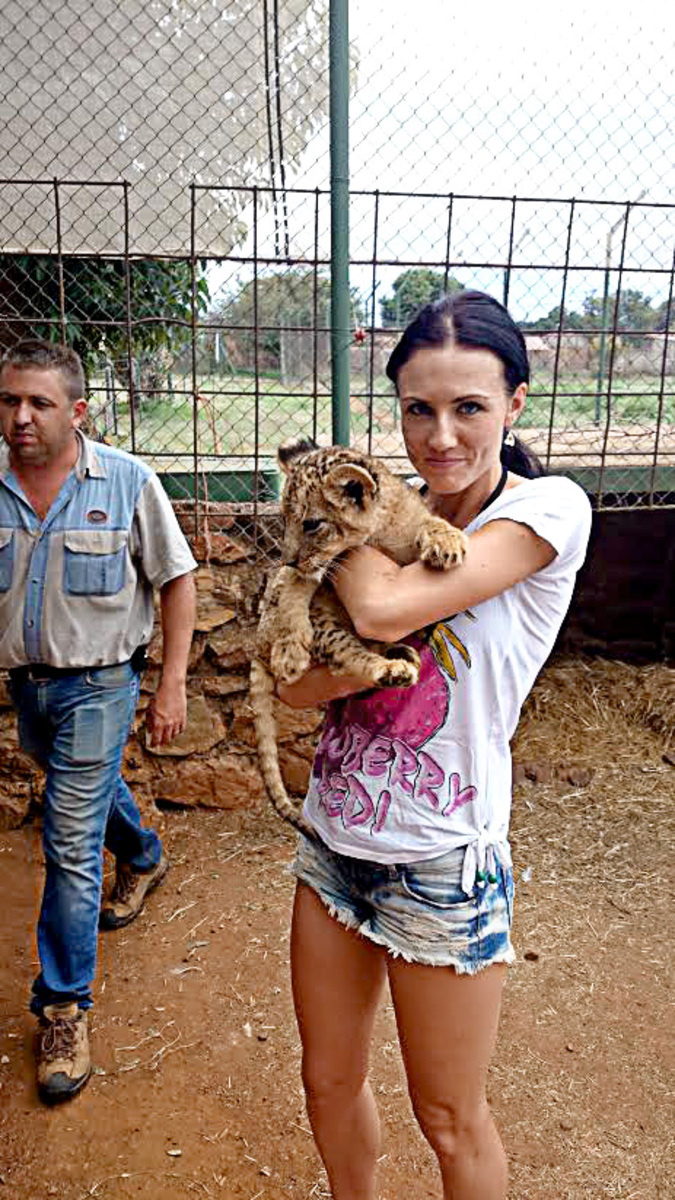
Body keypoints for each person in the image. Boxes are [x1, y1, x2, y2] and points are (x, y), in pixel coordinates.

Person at [277, 291, 592, 1200]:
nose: (440, 436)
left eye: (468, 407)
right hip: (333, 838)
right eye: (418, 409)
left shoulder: (547, 511)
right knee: (326, 1082)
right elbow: (295, 685)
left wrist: (340, 558)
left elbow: (379, 609)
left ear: (516, 403)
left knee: (450, 1119)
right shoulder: (373, 508)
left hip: (442, 858)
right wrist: (353, 673)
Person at [0, 340, 197, 1104]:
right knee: (87, 788)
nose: (20, 416)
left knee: (68, 838)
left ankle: (63, 1007)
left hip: (101, 684)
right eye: (10, 400)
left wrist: (170, 684)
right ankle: (144, 855)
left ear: (76, 411)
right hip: (30, 691)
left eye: (39, 403)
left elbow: (177, 582)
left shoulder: (125, 482)